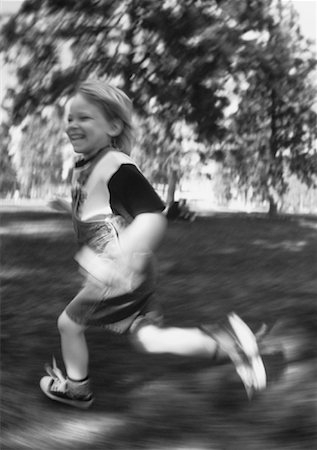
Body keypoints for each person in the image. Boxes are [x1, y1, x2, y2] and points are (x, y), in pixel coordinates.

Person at [40, 79, 266, 409]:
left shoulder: (115, 164)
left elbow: (152, 217)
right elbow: (99, 207)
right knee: (149, 339)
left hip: (119, 273)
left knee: (68, 324)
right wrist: (67, 206)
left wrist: (120, 256)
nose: (72, 125)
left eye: (84, 117)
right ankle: (230, 345)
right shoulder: (90, 164)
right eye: (70, 118)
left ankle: (77, 390)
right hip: (134, 272)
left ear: (113, 125)